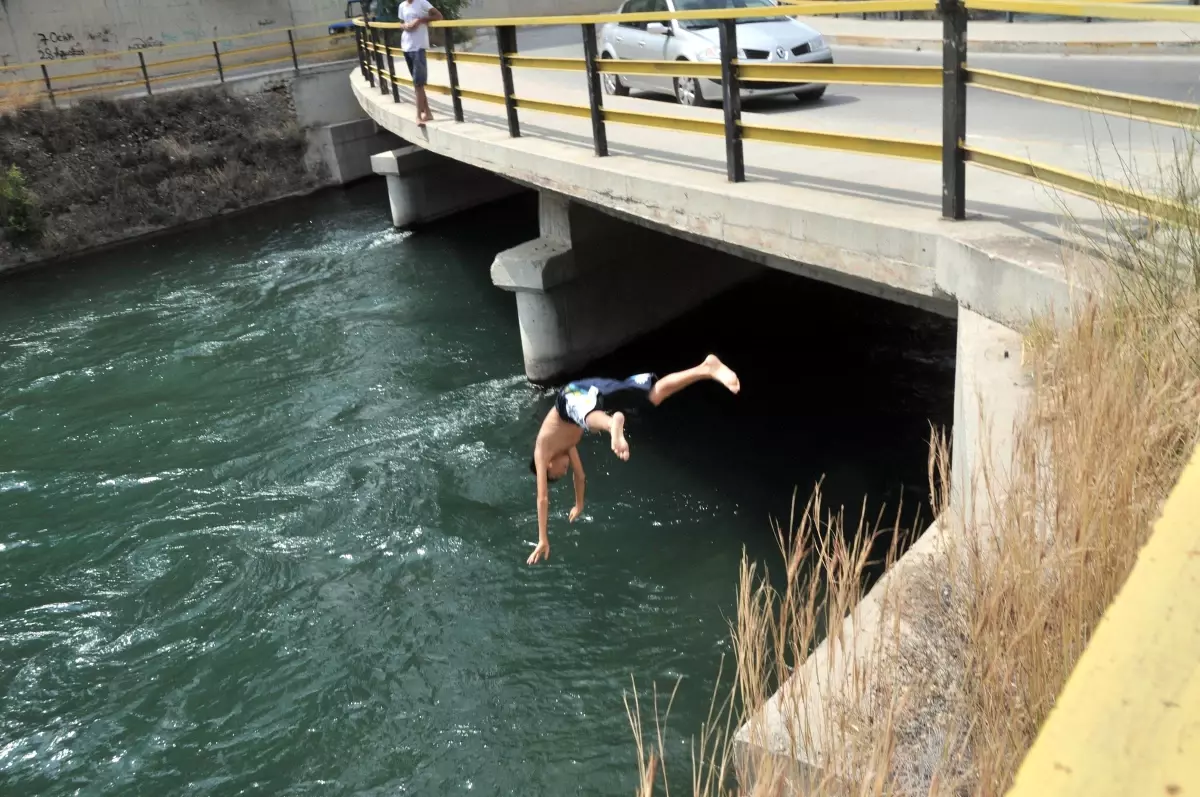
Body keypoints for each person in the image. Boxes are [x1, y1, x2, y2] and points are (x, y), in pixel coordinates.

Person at [526, 354, 741, 565]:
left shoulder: (542, 452)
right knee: (652, 395)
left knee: (585, 418)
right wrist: (579, 504)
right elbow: (580, 476)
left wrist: (543, 538)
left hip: (570, 395)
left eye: (556, 475)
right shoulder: (567, 444)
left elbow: (542, 499)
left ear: (546, 467)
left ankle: (612, 426)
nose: (563, 473)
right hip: (589, 392)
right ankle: (706, 368)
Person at [398, 0, 442, 124]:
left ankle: (418, 116)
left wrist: (419, 20)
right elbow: (401, 23)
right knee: (418, 84)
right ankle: (428, 113)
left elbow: (439, 16)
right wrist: (405, 26)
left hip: (418, 47)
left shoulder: (422, 2)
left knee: (418, 83)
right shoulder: (402, 5)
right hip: (406, 46)